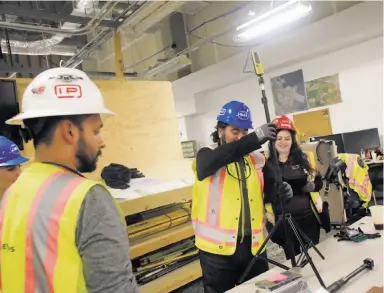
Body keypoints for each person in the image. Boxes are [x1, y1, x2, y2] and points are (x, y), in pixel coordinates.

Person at [0, 68, 138, 293]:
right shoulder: (89, 198)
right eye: (95, 131)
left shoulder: (14, 190)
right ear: (69, 132)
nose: (101, 142)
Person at [191, 100, 293, 293]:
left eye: (245, 133)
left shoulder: (257, 159)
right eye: (234, 132)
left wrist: (282, 191)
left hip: (254, 247)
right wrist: (255, 138)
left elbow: (270, 194)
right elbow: (210, 164)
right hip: (217, 253)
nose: (240, 137)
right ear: (221, 131)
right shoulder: (207, 156)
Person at [265, 115, 330, 260]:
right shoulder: (266, 165)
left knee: (313, 257)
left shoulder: (305, 158)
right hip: (283, 221)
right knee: (293, 260)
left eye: (287, 138)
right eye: (279, 138)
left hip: (307, 217)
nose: (283, 142)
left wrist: (313, 186)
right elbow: (264, 195)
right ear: (272, 141)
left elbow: (318, 182)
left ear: (292, 140)